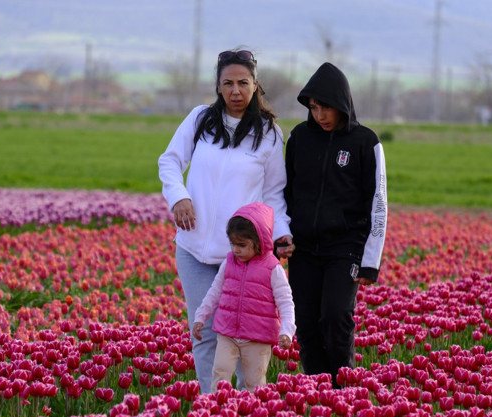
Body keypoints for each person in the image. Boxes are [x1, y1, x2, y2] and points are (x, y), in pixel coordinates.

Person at [158, 49, 294, 394]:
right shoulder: (200, 120)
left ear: (255, 85)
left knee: (240, 337)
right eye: (228, 83)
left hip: (240, 256)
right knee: (202, 331)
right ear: (218, 86)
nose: (236, 91)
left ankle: (244, 409)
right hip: (192, 249)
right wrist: (179, 197)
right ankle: (212, 406)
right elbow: (170, 162)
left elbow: (275, 193)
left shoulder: (269, 133)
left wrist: (282, 235)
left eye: (243, 83)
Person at [283, 62, 388, 388]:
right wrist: (280, 234)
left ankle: (343, 389)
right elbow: (283, 191)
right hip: (303, 247)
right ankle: (317, 389)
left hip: (345, 247)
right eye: (313, 108)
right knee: (307, 323)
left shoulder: (365, 142)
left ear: (342, 103)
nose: (319, 115)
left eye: (325, 107)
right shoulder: (299, 138)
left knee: (335, 316)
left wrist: (370, 261)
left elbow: (378, 203)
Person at [192, 202, 295, 392]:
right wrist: (201, 316)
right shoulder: (229, 262)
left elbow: (285, 302)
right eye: (232, 243)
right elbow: (215, 292)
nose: (236, 250)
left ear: (259, 242)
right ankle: (216, 412)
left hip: (258, 337)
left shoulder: (273, 268)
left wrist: (287, 331)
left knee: (254, 383)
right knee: (220, 373)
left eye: (242, 245)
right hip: (227, 332)